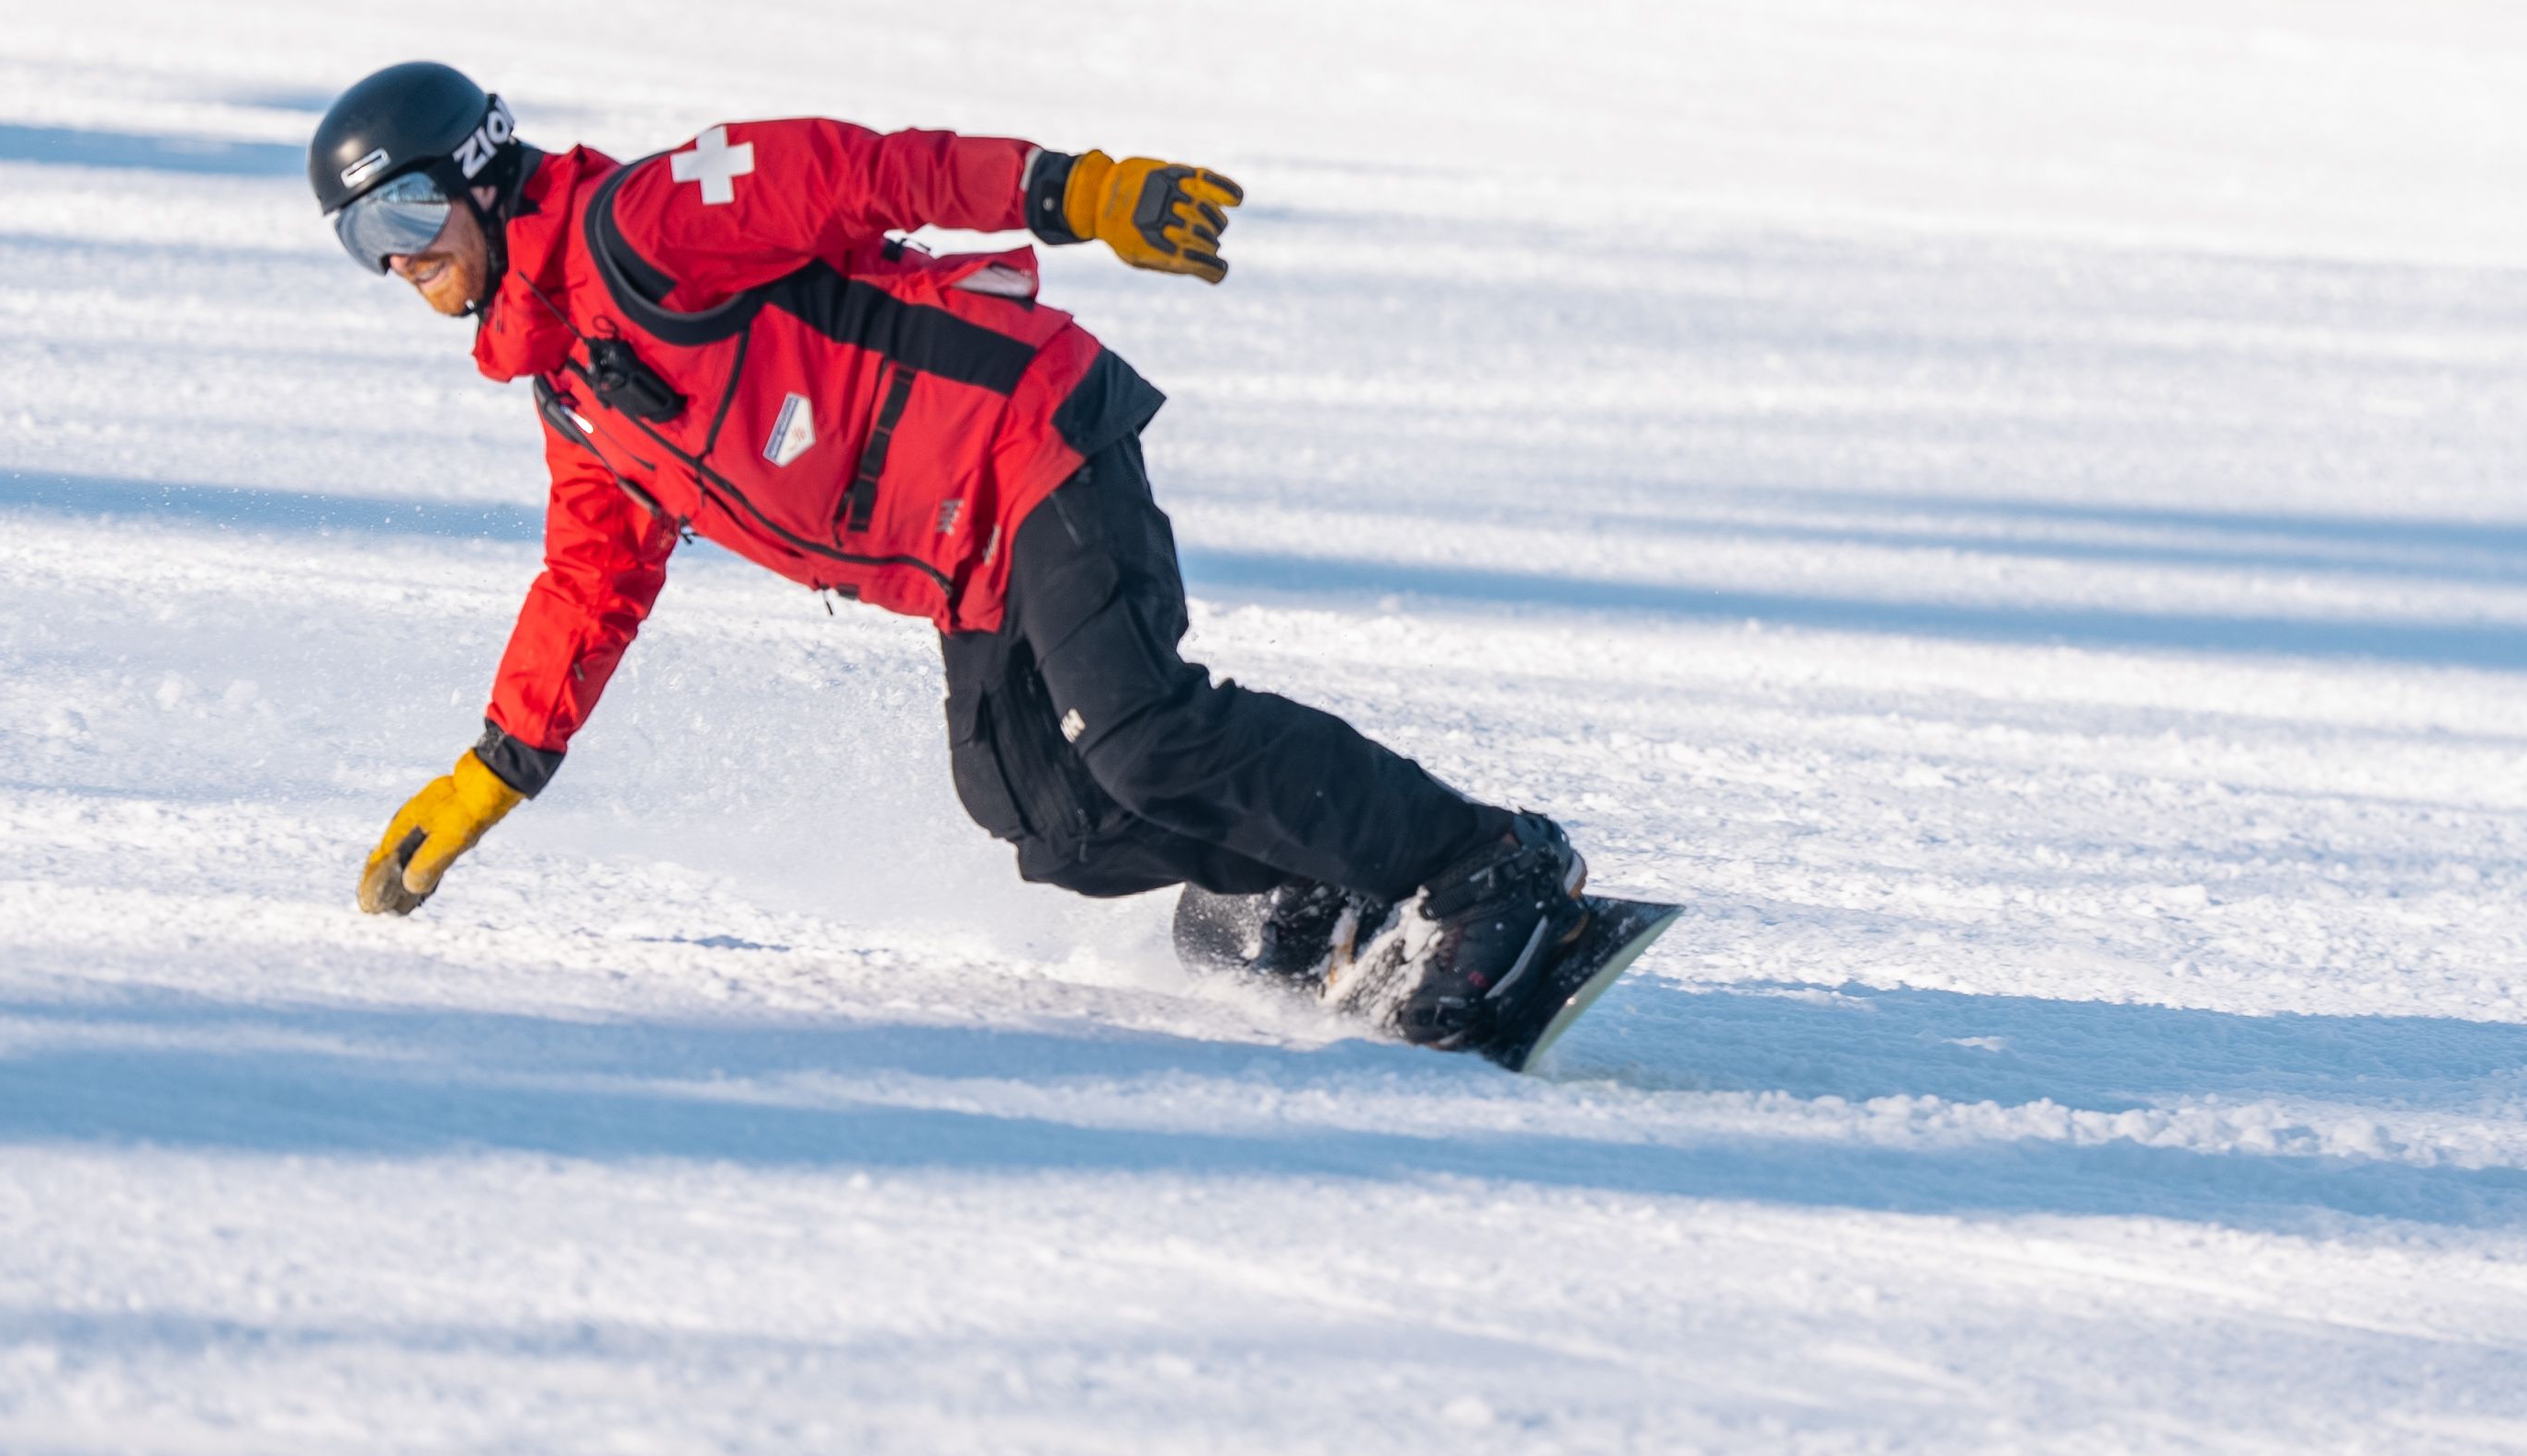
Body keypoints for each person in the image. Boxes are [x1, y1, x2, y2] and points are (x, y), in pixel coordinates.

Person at [307, 61, 1601, 1055]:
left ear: (483, 171)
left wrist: (1079, 191)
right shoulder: (575, 391)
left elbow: (862, 171)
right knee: (1052, 824)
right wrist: (495, 773)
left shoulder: (643, 225)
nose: (406, 257)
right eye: (368, 243)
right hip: (961, 550)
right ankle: (1298, 894)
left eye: (412, 209)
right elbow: (593, 582)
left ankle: (1484, 864)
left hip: (1029, 433)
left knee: (1141, 734)